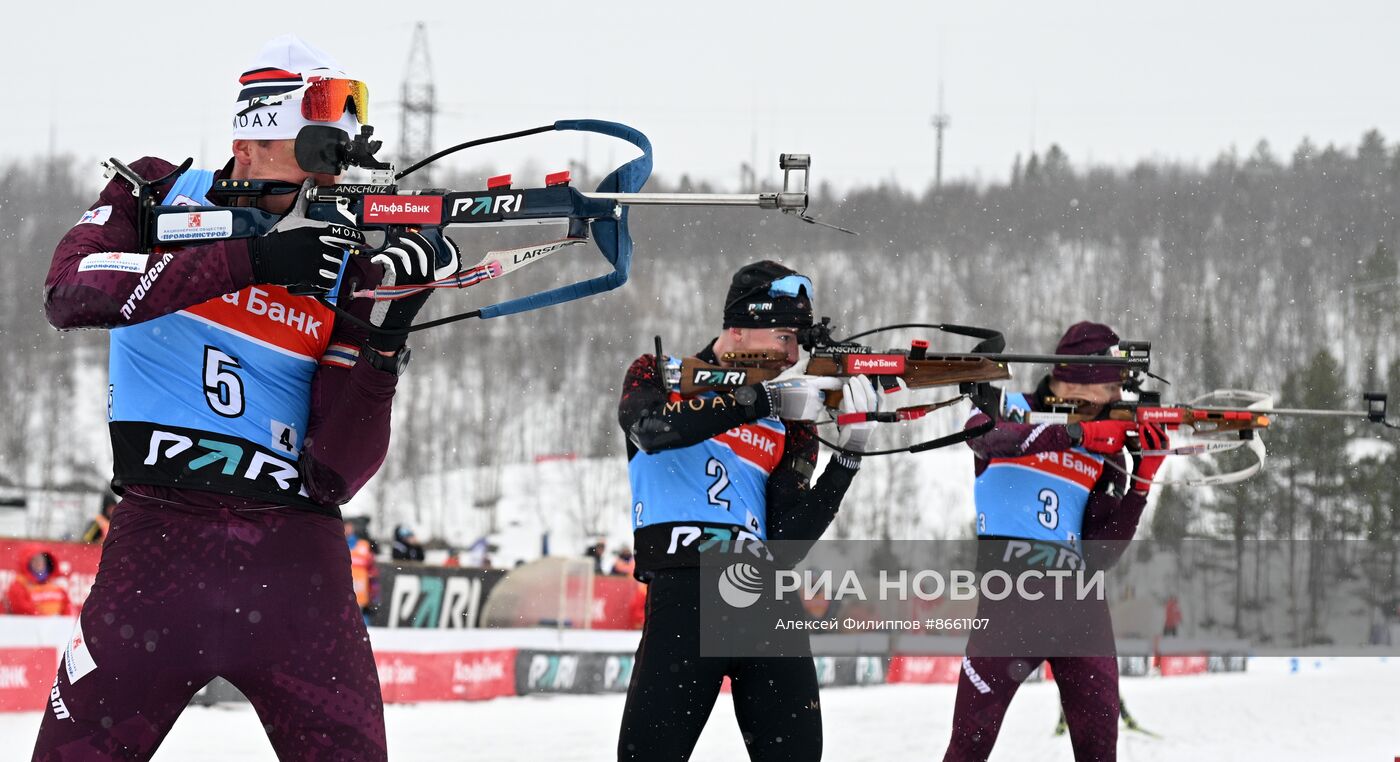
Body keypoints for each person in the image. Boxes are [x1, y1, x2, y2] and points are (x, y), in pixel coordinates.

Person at [34, 35, 456, 761]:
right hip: (157, 551)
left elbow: (337, 470)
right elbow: (71, 291)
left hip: (296, 565)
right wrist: (254, 258)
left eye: (341, 156)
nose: (328, 179)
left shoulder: (345, 253)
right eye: (317, 152)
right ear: (251, 143)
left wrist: (384, 338)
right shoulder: (158, 194)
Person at [616, 260, 879, 761]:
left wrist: (847, 459)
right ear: (738, 327)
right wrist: (758, 399)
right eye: (784, 336)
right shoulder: (658, 374)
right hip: (684, 591)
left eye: (797, 341)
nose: (792, 353)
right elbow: (649, 429)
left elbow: (786, 545)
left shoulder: (791, 421)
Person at [942, 321, 1167, 762]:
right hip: (1008, 603)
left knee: (1100, 753)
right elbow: (983, 438)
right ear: (1081, 381)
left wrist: (1141, 484)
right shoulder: (1008, 405)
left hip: (1081, 612)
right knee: (967, 749)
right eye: (1114, 387)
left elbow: (1099, 555)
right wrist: (1074, 433)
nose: (1119, 399)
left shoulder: (1108, 450)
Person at [4, 547, 74, 616]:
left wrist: (60, 622)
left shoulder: (57, 585)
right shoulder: (19, 585)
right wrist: (44, 620)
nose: (39, 563)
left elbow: (67, 608)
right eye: (35, 560)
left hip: (55, 625)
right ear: (27, 563)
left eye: (42, 560)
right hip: (29, 625)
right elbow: (21, 608)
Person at [347, 520, 381, 625]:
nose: (348, 530)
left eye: (350, 527)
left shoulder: (364, 545)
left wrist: (374, 591)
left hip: (362, 589)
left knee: (362, 616)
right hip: (346, 588)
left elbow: (372, 568)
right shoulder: (339, 543)